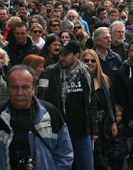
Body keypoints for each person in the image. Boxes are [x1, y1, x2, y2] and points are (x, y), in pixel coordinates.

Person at [0, 65, 74, 169]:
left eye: (25, 87)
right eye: (14, 87)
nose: (19, 92)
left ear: (33, 88)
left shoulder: (50, 113)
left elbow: (64, 152)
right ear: (7, 88)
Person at [37, 40, 97, 169]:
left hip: (82, 132)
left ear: (76, 56)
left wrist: (94, 129)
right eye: (60, 54)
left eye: (65, 55)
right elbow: (40, 101)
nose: (61, 57)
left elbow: (92, 102)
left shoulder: (85, 73)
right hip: (58, 131)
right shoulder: (49, 72)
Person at [80, 48, 117, 170]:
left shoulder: (104, 79)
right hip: (87, 125)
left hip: (104, 124)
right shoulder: (78, 80)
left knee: (105, 158)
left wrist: (113, 122)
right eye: (86, 60)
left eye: (93, 60)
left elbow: (110, 103)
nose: (90, 63)